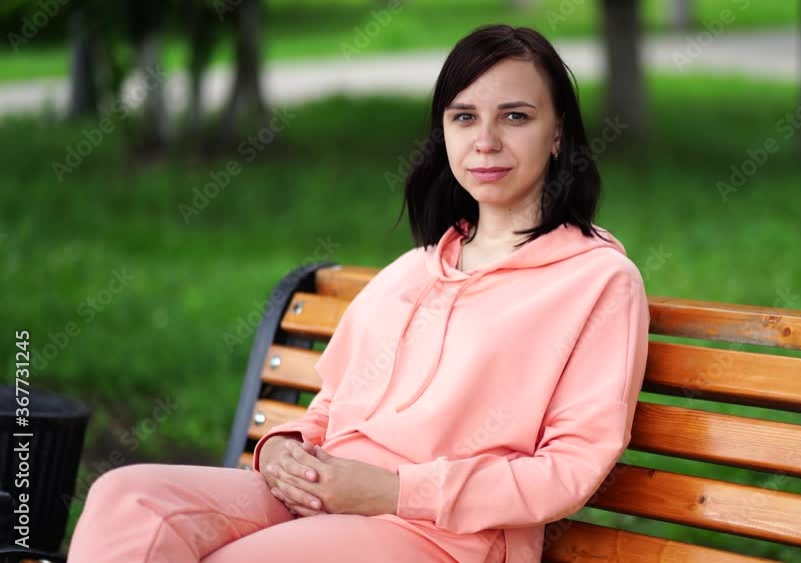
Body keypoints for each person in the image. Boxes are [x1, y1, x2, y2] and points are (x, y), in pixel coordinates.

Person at [66, 23, 650, 563]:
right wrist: (282, 449)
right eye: (464, 117)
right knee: (128, 498)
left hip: (444, 536)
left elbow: (568, 469)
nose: (486, 140)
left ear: (558, 134)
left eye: (515, 116)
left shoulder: (595, 281)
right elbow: (330, 408)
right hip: (322, 497)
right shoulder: (412, 271)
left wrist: (394, 491)